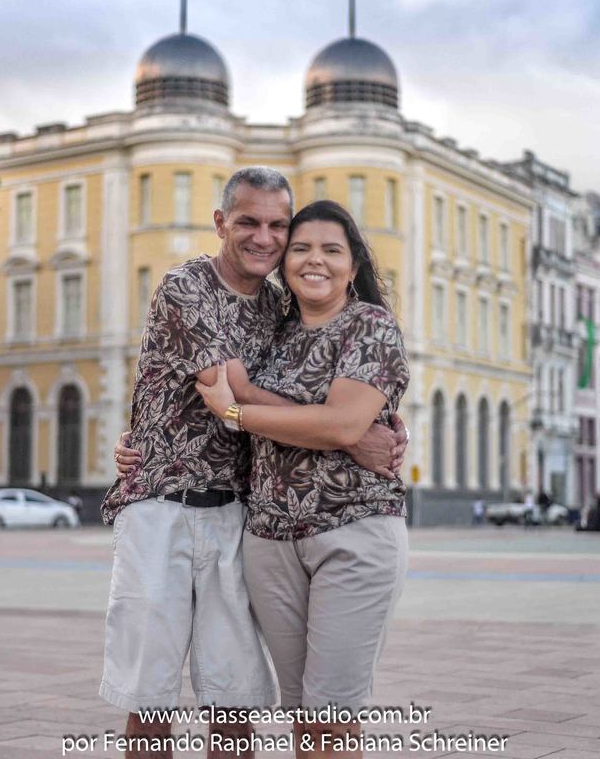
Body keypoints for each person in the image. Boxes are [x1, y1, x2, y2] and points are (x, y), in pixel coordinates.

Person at [101, 169, 406, 759]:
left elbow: (309, 390)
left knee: (235, 699)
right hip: (162, 504)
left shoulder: (280, 305)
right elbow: (231, 391)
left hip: (240, 513)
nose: (263, 237)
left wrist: (371, 425)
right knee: (153, 698)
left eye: (277, 225)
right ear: (221, 223)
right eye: (248, 222)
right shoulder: (187, 285)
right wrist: (350, 434)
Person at [194, 199, 409, 758]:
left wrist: (240, 415)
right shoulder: (271, 331)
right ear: (285, 263)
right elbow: (237, 390)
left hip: (352, 533)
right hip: (268, 542)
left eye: (332, 250)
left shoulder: (370, 326)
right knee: (304, 716)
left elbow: (338, 422)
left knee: (330, 716)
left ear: (353, 265)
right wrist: (134, 444)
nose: (316, 260)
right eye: (303, 249)